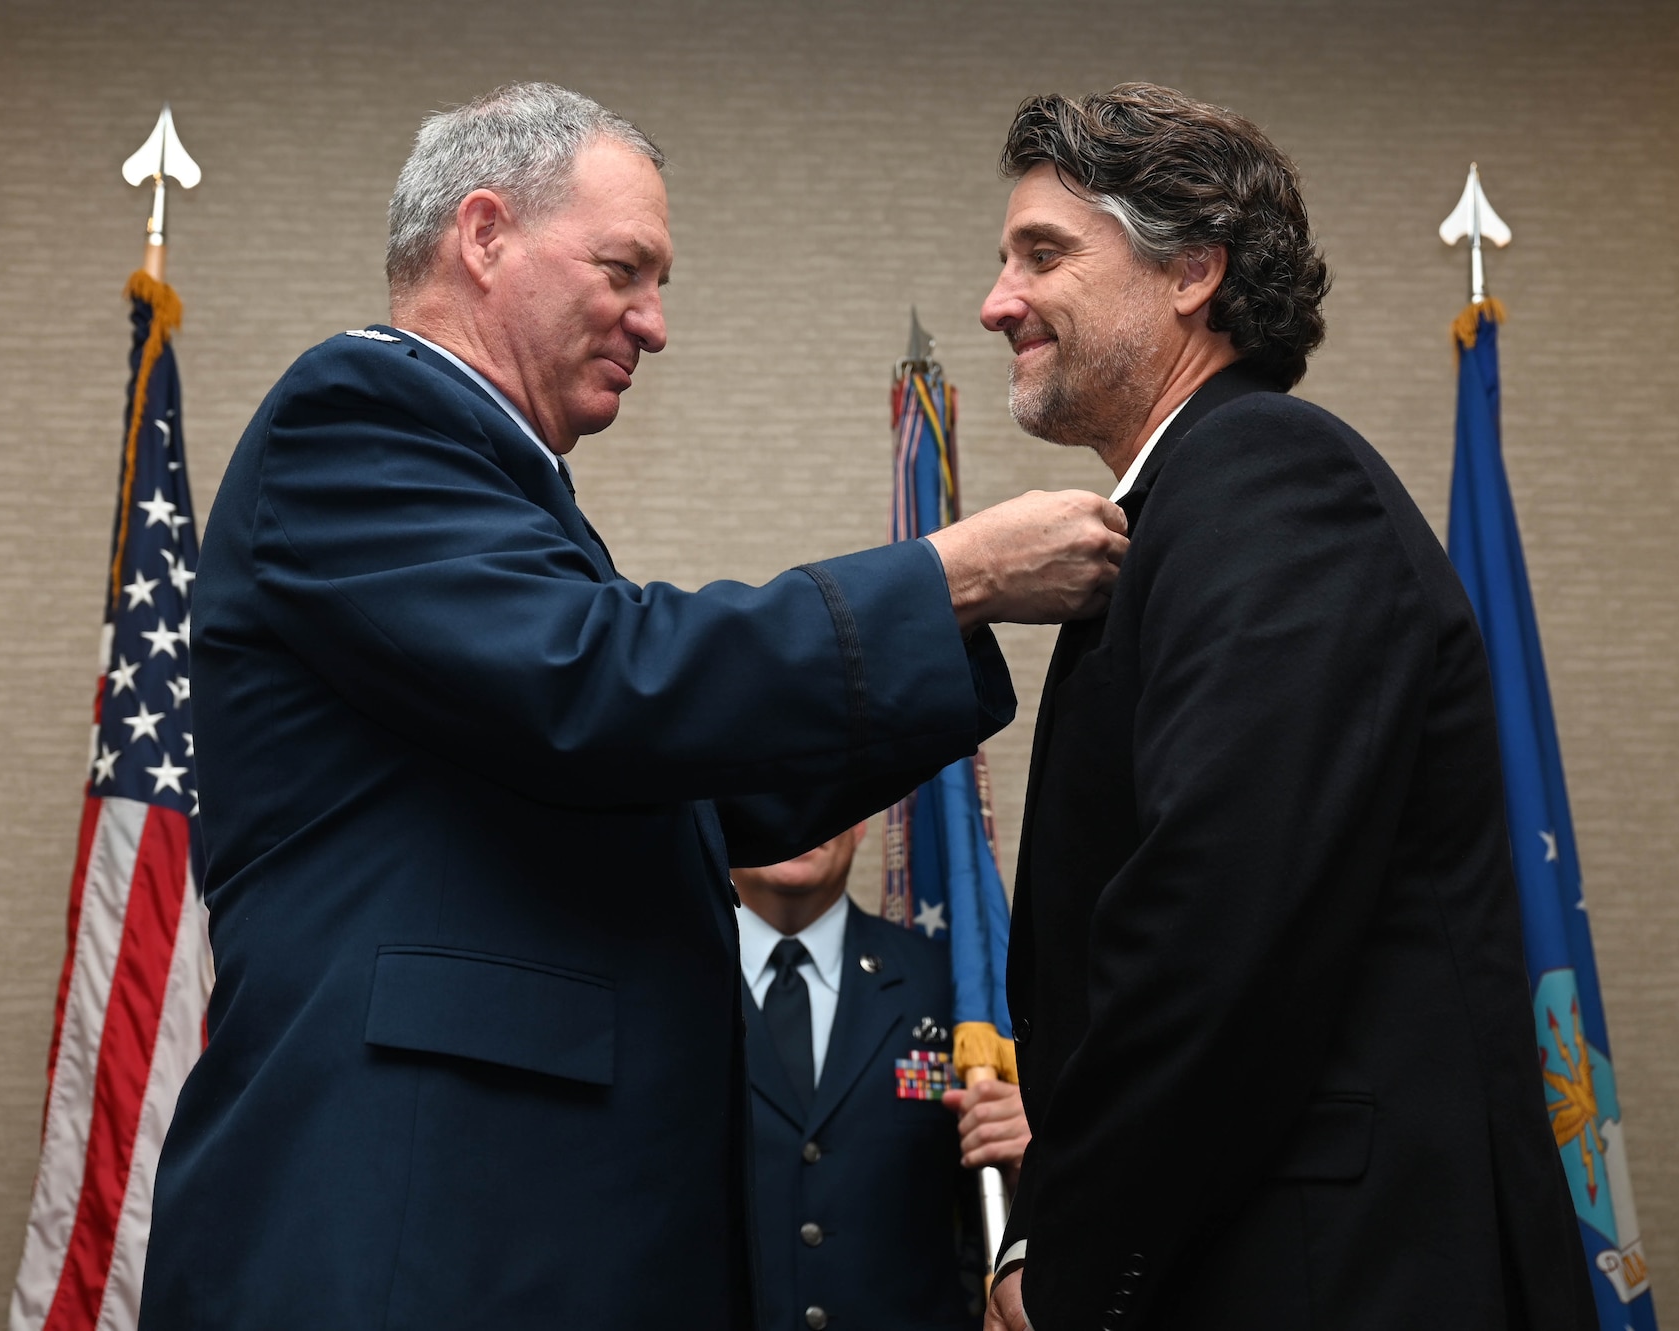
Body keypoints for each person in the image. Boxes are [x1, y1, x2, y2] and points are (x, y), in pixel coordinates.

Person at [139, 83, 1126, 1331]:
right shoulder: (360, 417)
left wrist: (965, 628)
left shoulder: (507, 499)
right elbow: (595, 680)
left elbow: (713, 790)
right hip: (413, 1230)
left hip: (532, 1230)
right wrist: (954, 573)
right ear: (484, 235)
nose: (653, 324)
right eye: (626, 270)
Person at [975, 85, 1598, 1331]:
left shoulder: (1264, 475)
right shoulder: (1181, 511)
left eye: (1042, 253)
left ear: (1190, 271)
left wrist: (1068, 1261)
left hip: (1319, 1271)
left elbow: (1216, 920)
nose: (998, 300)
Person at [735, 824, 1031, 1331]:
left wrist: (1032, 1156)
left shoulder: (954, 994)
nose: (798, 807)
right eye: (770, 783)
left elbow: (996, 1215)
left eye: (823, 783)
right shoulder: (667, 982)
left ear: (861, 821)